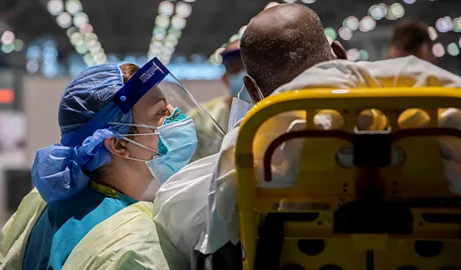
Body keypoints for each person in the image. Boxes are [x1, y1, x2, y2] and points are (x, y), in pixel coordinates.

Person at [153, 2, 461, 268]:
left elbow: (193, 227)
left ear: (250, 89)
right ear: (340, 54)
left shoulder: (260, 144)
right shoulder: (435, 111)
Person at [0, 59, 224, 269]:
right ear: (117, 144)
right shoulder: (134, 244)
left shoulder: (43, 206)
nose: (176, 117)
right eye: (161, 112)